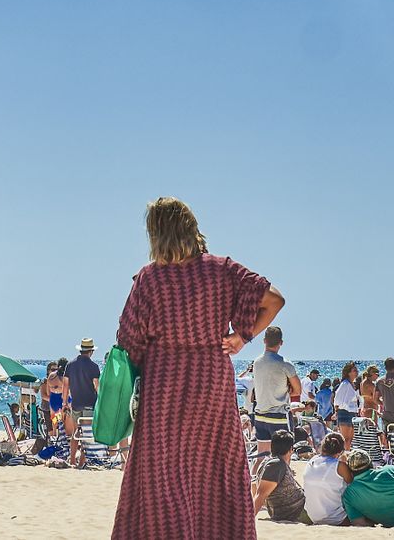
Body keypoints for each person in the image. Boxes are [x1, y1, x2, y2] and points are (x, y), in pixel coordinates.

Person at [109, 197, 285, 540]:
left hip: (165, 383)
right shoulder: (222, 269)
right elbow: (275, 299)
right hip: (212, 381)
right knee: (215, 466)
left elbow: (128, 339)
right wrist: (242, 337)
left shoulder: (149, 279)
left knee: (165, 471)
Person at [251, 326, 301, 455]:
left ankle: (256, 476)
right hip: (278, 416)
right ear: (281, 343)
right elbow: (298, 390)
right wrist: (288, 389)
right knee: (284, 455)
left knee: (261, 455)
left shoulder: (256, 363)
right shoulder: (285, 364)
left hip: (260, 415)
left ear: (264, 340)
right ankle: (284, 476)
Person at [252, 428, 309, 523]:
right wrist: (247, 520)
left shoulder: (272, 463)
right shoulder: (276, 465)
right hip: (296, 512)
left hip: (294, 509)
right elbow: (260, 495)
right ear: (291, 449)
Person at [65, 338, 101, 467]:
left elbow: (66, 385)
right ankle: (81, 462)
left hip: (75, 404)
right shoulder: (94, 366)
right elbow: (96, 385)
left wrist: (65, 402)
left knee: (76, 432)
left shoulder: (70, 365)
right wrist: (101, 399)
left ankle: (73, 460)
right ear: (91, 351)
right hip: (89, 403)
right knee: (86, 433)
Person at [303, 430, 349, 526]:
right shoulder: (339, 466)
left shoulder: (312, 461)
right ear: (341, 451)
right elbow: (352, 482)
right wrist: (345, 462)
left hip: (313, 517)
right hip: (337, 518)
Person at [335, 363, 362, 446]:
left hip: (351, 413)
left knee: (350, 440)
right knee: (345, 439)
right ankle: (344, 457)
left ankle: (346, 456)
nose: (357, 372)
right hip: (345, 413)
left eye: (356, 370)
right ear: (348, 373)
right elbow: (337, 399)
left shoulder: (351, 384)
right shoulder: (345, 384)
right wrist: (339, 409)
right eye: (354, 371)